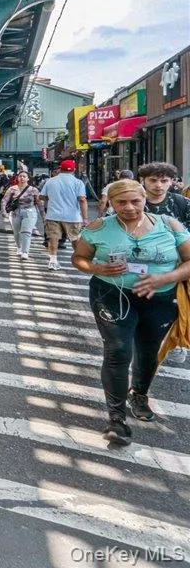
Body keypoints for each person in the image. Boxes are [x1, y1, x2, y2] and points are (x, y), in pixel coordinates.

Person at [72, 180, 190, 445]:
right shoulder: (98, 228)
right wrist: (97, 269)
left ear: (144, 198)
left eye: (135, 201)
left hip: (160, 298)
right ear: (111, 204)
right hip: (112, 296)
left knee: (148, 351)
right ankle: (116, 418)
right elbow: (79, 258)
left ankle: (140, 394)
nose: (128, 208)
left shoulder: (169, 226)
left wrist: (165, 278)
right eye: (121, 202)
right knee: (117, 350)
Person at [40, 159, 87, 271]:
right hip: (72, 216)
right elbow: (82, 200)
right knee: (75, 239)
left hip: (53, 215)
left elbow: (41, 197)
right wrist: (85, 218)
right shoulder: (78, 182)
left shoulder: (50, 181)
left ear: (60, 169)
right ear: (74, 170)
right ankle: (79, 259)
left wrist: (52, 198)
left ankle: (53, 261)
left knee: (53, 238)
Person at [1, 172, 41, 259]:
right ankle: (19, 247)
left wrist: (44, 215)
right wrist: (4, 211)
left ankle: (25, 251)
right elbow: (4, 200)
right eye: (20, 176)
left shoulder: (34, 190)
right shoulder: (12, 189)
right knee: (16, 232)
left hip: (30, 212)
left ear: (28, 179)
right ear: (17, 178)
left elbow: (39, 203)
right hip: (16, 212)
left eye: (24, 176)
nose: (22, 178)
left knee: (26, 232)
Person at [138, 161, 190, 227]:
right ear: (142, 180)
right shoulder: (133, 202)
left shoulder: (183, 203)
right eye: (153, 180)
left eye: (164, 181)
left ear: (171, 181)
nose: (158, 185)